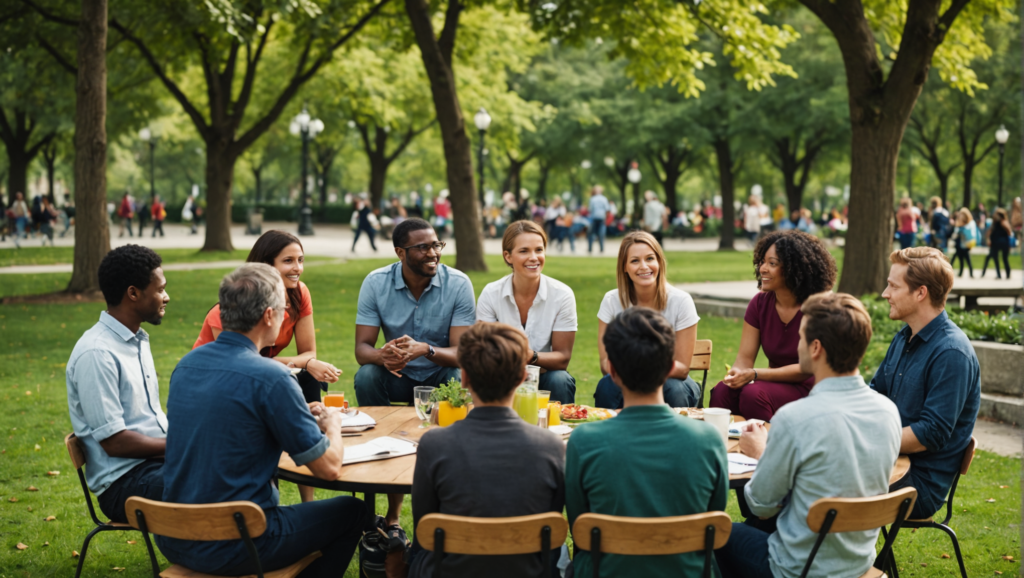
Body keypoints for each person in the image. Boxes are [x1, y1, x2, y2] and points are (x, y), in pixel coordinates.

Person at [158, 263, 370, 577]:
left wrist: (293, 414)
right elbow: (328, 467)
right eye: (284, 309)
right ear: (269, 316)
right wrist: (333, 424)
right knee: (354, 511)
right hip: (239, 540)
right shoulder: (272, 377)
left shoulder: (187, 365)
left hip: (173, 534)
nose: (286, 315)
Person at [716, 293, 902, 578]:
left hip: (798, 567)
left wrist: (763, 454)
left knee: (715, 533)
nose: (797, 345)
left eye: (801, 338)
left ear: (815, 347)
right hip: (857, 561)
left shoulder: (794, 419)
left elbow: (760, 505)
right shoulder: (888, 412)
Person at [567, 307, 727, 578]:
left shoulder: (583, 441)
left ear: (613, 372)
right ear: (669, 368)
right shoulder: (708, 439)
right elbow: (715, 513)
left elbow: (579, 526)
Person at [408, 322, 565, 578]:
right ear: (522, 377)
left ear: (464, 377)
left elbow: (423, 528)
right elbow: (551, 521)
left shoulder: (434, 445)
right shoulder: (551, 446)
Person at [354, 217, 476, 531]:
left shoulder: (458, 283)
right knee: (366, 376)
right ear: (400, 252)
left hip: (440, 373)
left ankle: (453, 498)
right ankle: (385, 505)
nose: (433, 252)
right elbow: (362, 349)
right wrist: (384, 357)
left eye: (437, 244)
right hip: (398, 377)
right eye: (422, 247)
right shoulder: (376, 282)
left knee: (455, 377)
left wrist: (425, 349)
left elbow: (462, 352)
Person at [872, 247, 980, 520]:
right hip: (889, 463)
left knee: (818, 480)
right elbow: (875, 396)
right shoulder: (904, 337)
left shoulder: (952, 353)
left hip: (918, 484)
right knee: (811, 470)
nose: (885, 294)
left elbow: (930, 434)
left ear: (920, 293)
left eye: (893, 286)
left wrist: (866, 441)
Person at [66, 245, 170, 523]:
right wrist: (180, 446)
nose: (166, 297)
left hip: (153, 466)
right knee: (216, 480)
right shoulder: (97, 353)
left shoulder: (136, 340)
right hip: (123, 484)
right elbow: (116, 443)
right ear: (133, 293)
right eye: (160, 289)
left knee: (234, 463)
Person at [192, 231, 342, 411]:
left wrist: (305, 363)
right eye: (288, 261)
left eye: (300, 260)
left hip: (255, 370)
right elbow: (240, 365)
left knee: (307, 377)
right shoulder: (226, 311)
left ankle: (314, 429)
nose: (298, 268)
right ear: (266, 265)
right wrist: (302, 363)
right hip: (217, 379)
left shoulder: (299, 294)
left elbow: (309, 353)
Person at [709, 230, 838, 422]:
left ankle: (766, 449)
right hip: (772, 383)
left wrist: (755, 374)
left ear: (795, 268)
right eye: (762, 262)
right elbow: (744, 359)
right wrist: (736, 375)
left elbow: (808, 368)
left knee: (754, 395)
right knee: (722, 391)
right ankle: (721, 449)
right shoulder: (760, 304)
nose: (762, 269)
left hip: (811, 387)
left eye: (772, 263)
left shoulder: (818, 306)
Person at [594, 231, 703, 409]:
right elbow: (606, 363)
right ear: (624, 266)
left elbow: (682, 369)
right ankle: (612, 435)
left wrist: (642, 370)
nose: (644, 266)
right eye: (635, 261)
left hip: (672, 380)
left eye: (650, 258)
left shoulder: (681, 301)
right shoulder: (611, 300)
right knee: (607, 386)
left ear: (659, 262)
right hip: (626, 377)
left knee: (674, 389)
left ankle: (673, 436)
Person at [476, 221, 578, 404]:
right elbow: (484, 352)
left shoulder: (562, 295)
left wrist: (532, 356)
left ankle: (561, 432)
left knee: (560, 379)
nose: (534, 257)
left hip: (545, 376)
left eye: (539, 250)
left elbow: (562, 358)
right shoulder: (491, 294)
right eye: (524, 251)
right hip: (503, 376)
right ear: (508, 256)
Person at [982, 207, 1012, 279]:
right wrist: (988, 239)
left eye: (996, 214)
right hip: (995, 243)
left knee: (1004, 259)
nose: (995, 215)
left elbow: (1009, 232)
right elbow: (989, 232)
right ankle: (998, 274)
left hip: (1004, 243)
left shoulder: (1003, 222)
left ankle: (1007, 274)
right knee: (995, 259)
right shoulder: (994, 223)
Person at [950, 208, 978, 278]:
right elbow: (955, 233)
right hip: (959, 243)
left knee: (967, 259)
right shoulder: (959, 222)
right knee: (960, 259)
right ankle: (960, 273)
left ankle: (970, 273)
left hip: (966, 244)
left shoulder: (970, 223)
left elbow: (971, 234)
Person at [586, 186, 610, 254]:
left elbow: (590, 210)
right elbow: (607, 210)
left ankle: (590, 249)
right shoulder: (604, 199)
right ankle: (601, 249)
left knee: (590, 233)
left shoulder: (592, 199)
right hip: (602, 218)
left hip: (594, 218)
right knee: (601, 234)